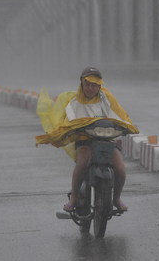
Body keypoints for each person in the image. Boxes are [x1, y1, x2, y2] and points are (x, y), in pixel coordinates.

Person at [34, 66, 138, 213]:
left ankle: (116, 198)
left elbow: (120, 114)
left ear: (99, 86)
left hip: (107, 141)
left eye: (94, 85)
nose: (90, 88)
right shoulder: (74, 102)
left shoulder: (106, 98)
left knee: (120, 169)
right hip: (85, 141)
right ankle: (74, 197)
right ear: (82, 84)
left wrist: (128, 126)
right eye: (87, 84)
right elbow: (68, 121)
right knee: (82, 164)